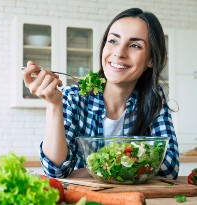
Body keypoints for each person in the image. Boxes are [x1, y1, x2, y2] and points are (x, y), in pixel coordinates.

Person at [22, 8, 179, 179]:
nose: (119, 52)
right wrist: (53, 104)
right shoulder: (73, 97)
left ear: (151, 59)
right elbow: (56, 171)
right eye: (113, 41)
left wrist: (92, 170)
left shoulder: (154, 100)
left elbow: (169, 168)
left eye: (134, 45)